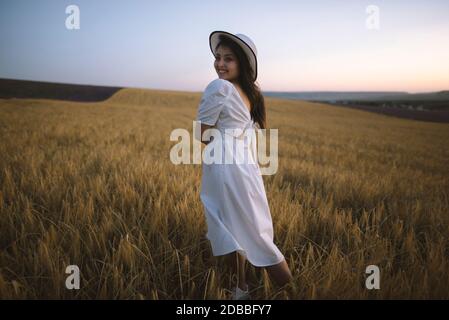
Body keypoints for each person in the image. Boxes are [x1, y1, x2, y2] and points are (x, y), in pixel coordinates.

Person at [196, 31, 293, 300]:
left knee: (250, 233)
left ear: (242, 64)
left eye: (228, 59)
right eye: (217, 57)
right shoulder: (251, 93)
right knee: (244, 227)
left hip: (227, 167)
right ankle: (242, 287)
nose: (220, 64)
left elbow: (202, 135)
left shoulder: (219, 88)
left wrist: (222, 136)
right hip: (246, 167)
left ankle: (291, 289)